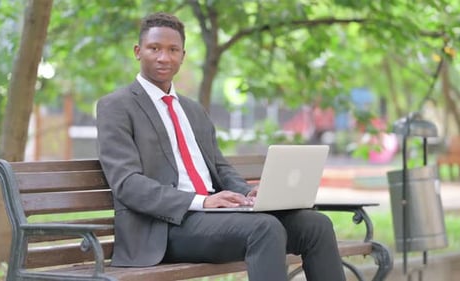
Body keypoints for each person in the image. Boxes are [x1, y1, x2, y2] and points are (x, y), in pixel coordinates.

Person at [96, 12, 346, 281]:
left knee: (315, 224)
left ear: (183, 55)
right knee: (264, 228)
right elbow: (127, 183)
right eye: (154, 48)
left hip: (213, 217)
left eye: (173, 50)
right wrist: (202, 201)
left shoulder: (193, 110)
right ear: (138, 51)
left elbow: (219, 167)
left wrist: (248, 193)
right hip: (162, 229)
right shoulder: (117, 106)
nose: (163, 57)